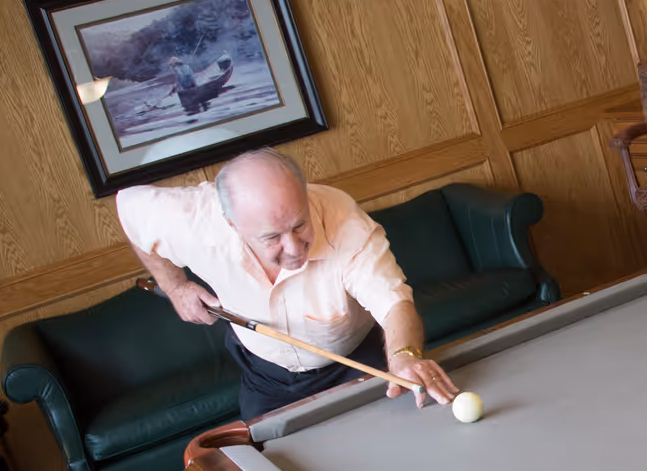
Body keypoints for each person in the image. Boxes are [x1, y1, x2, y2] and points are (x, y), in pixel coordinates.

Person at [117, 147, 459, 421]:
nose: (294, 248)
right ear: (232, 225)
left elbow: (393, 301)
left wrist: (403, 355)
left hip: (356, 360)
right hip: (265, 375)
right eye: (272, 238)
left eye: (300, 225)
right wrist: (175, 286)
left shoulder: (343, 221)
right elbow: (130, 209)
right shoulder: (195, 222)